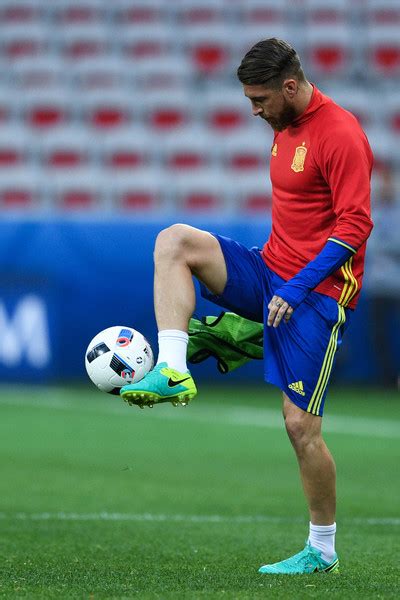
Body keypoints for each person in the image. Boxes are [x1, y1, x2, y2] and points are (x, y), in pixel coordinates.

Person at [121, 38, 373, 574]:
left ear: (289, 86)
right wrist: (274, 283)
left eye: (259, 99)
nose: (253, 110)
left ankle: (321, 549)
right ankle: (172, 369)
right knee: (174, 242)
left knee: (299, 427)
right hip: (270, 272)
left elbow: (355, 224)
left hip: (319, 295)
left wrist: (298, 287)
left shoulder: (342, 134)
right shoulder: (283, 129)